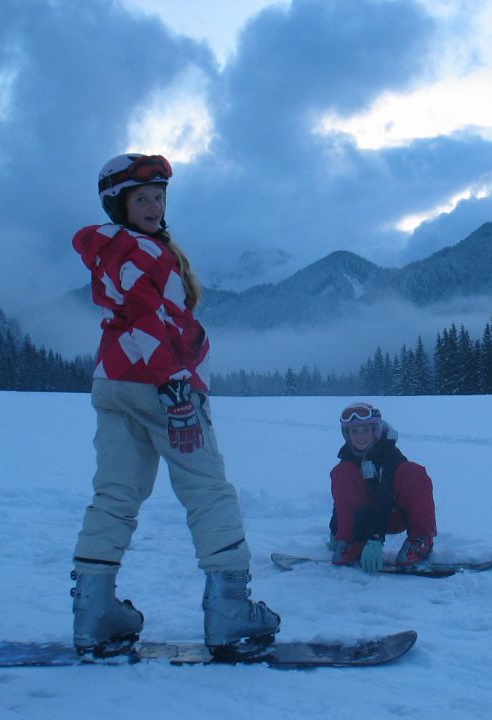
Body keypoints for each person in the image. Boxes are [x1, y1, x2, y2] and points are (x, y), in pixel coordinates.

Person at [70, 153, 280, 657]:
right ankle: (230, 612)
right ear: (117, 205)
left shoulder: (116, 250)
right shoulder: (139, 250)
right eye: (140, 197)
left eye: (159, 196)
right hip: (162, 386)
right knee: (208, 491)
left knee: (115, 494)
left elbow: (131, 317)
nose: (153, 205)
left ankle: (95, 613)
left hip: (114, 382)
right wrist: (176, 386)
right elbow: (146, 320)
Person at [329, 402, 438, 573]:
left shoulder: (390, 455)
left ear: (376, 430)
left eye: (365, 430)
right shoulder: (347, 460)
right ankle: (352, 543)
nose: (360, 436)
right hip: (364, 521)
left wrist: (375, 539)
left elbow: (385, 497)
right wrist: (336, 531)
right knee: (341, 472)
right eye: (354, 431)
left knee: (413, 472)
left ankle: (421, 540)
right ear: (347, 434)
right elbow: (341, 502)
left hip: (394, 515)